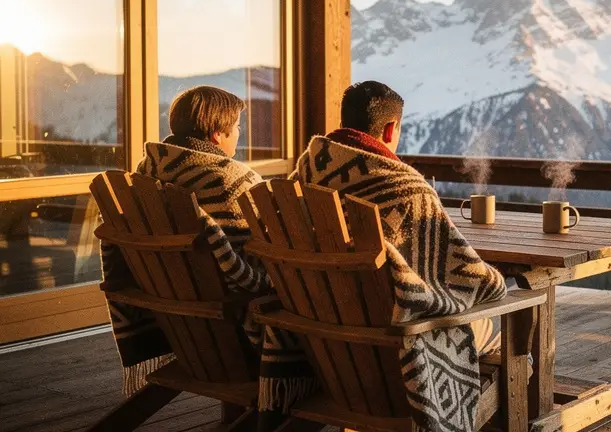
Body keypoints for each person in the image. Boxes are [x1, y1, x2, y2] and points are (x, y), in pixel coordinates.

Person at [285, 80, 507, 431]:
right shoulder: (408, 189)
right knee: (502, 325)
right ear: (391, 129)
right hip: (394, 346)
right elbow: (469, 276)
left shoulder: (305, 174)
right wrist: (499, 283)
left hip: (321, 342)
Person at [100, 86, 271, 397]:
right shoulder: (230, 181)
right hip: (234, 332)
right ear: (217, 134)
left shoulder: (146, 174)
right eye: (237, 127)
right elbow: (256, 265)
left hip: (174, 325)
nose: (239, 134)